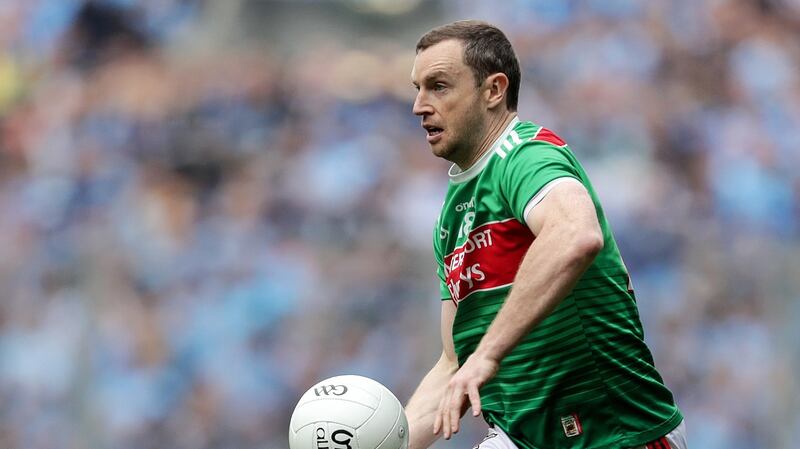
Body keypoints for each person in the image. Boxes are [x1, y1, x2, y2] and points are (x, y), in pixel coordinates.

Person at [404, 21, 688, 449]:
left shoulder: (524, 154)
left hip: (612, 436)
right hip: (524, 438)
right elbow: (453, 363)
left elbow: (575, 234)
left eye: (438, 86)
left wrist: (488, 354)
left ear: (493, 90)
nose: (419, 105)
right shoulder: (452, 215)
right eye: (417, 88)